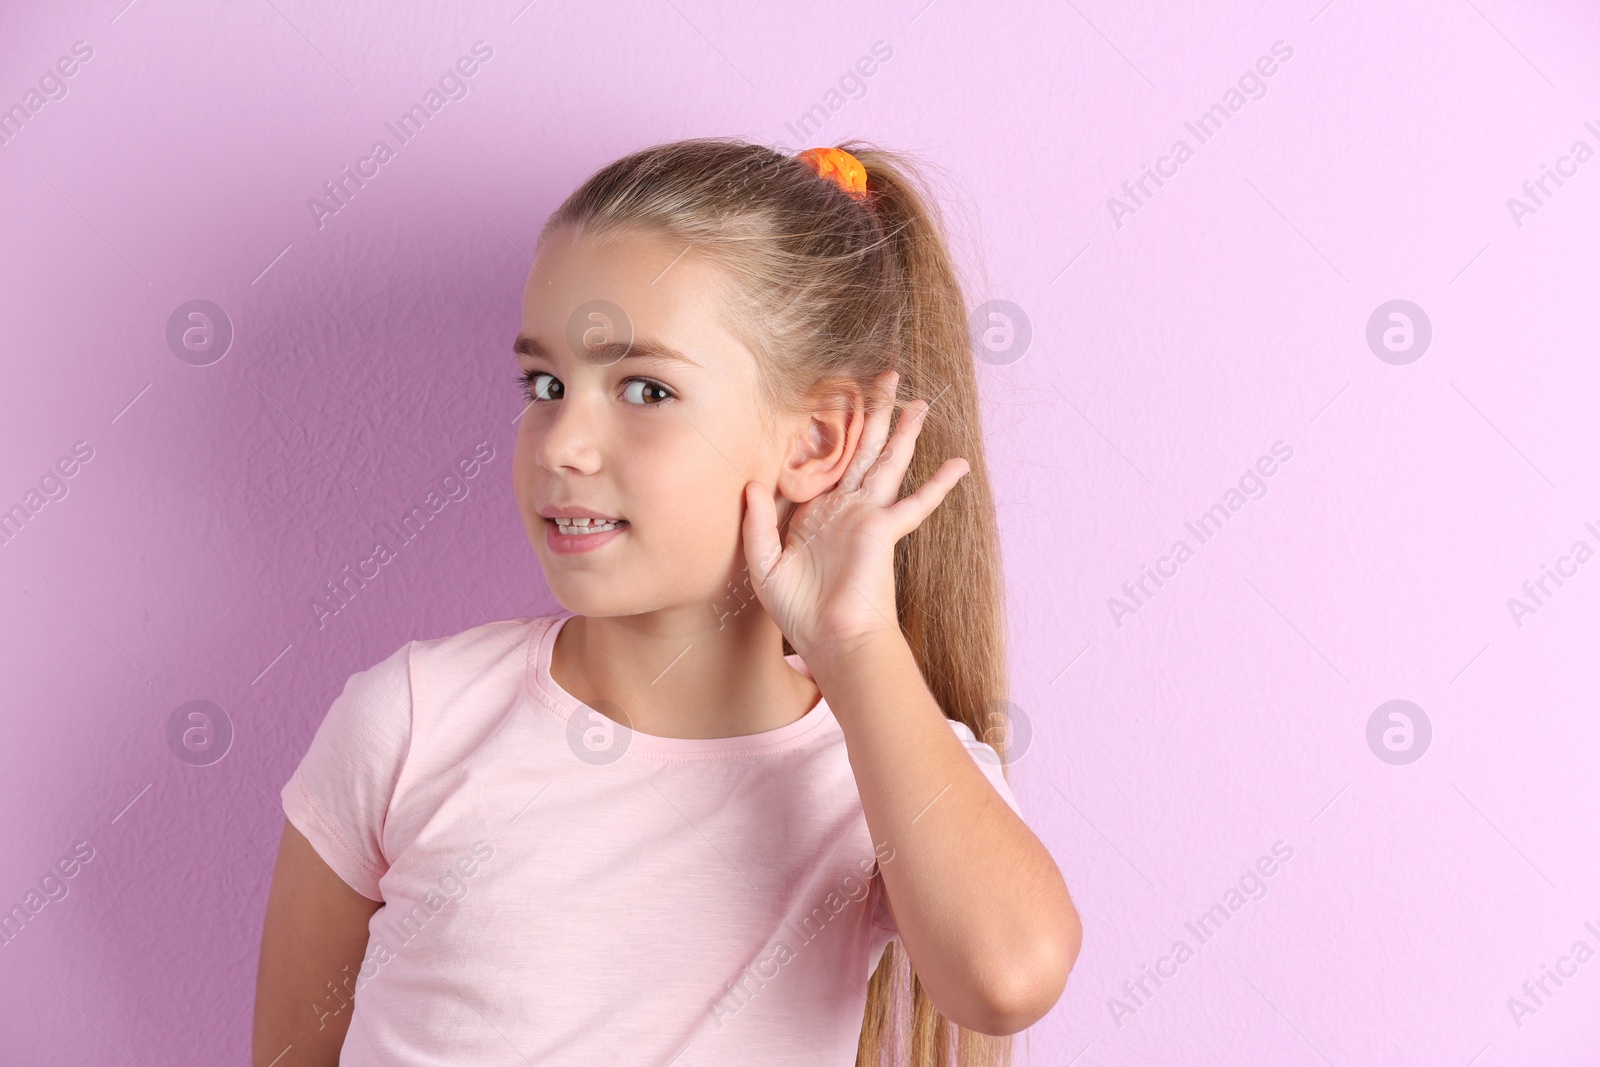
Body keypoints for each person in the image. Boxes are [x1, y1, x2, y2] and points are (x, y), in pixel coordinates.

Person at [252, 137, 1081, 1066]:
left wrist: (855, 641)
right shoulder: (413, 722)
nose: (562, 442)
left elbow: (1007, 979)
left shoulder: (885, 766)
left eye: (645, 387)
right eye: (545, 383)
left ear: (816, 440)